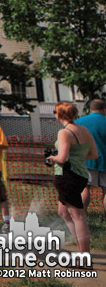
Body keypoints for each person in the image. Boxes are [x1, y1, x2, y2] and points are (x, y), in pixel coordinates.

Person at [45, 101, 98, 253]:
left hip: (67, 175)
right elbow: (94, 154)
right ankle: (81, 245)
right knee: (63, 211)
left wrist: (51, 157)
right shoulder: (84, 130)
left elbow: (62, 158)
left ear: (60, 114)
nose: (55, 115)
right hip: (81, 175)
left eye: (55, 112)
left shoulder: (64, 132)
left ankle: (84, 255)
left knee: (78, 216)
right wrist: (77, 156)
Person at [76, 98, 106, 213]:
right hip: (105, 161)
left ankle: (82, 215)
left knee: (85, 188)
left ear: (90, 109)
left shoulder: (80, 121)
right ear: (104, 109)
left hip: (86, 161)